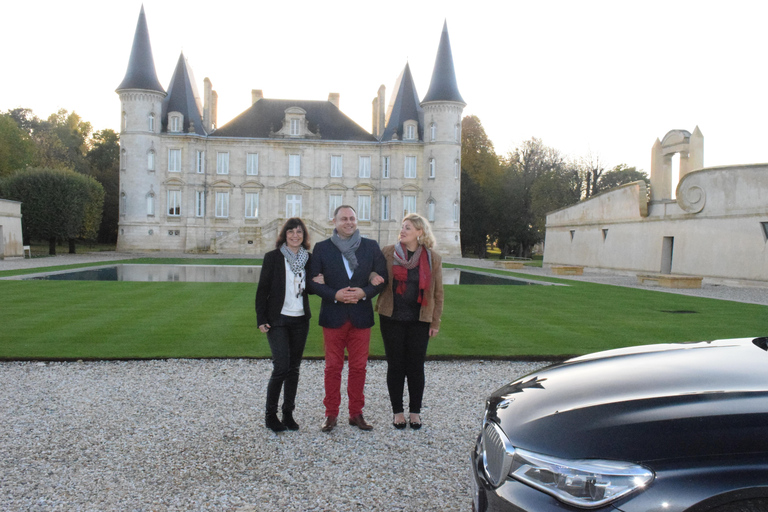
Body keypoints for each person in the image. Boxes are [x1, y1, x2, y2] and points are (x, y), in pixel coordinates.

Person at [308, 205, 387, 432]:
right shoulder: (322, 248)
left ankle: (356, 413)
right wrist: (334, 294)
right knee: (333, 367)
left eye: (352, 218)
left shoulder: (370, 247)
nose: (349, 222)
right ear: (334, 221)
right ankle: (331, 414)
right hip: (333, 316)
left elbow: (383, 277)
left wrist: (364, 293)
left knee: (359, 368)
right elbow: (313, 282)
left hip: (361, 316)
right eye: (344, 218)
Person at [374, 213, 444, 430]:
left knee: (415, 367)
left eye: (408, 228)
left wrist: (435, 322)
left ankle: (415, 412)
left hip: (419, 319)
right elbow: (372, 274)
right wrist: (370, 278)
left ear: (420, 232)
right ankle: (397, 412)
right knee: (395, 366)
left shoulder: (432, 258)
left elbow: (438, 293)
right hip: (392, 317)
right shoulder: (388, 253)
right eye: (402, 227)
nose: (402, 231)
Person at [255, 218, 312, 433]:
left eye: (299, 232)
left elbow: (312, 288)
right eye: (291, 231)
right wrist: (261, 319)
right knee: (281, 368)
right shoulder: (273, 258)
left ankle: (288, 413)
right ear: (284, 234)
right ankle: (271, 415)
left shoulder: (308, 258)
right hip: (278, 318)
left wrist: (322, 281)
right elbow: (263, 290)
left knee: (294, 369)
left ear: (304, 235)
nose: (295, 235)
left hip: (300, 318)